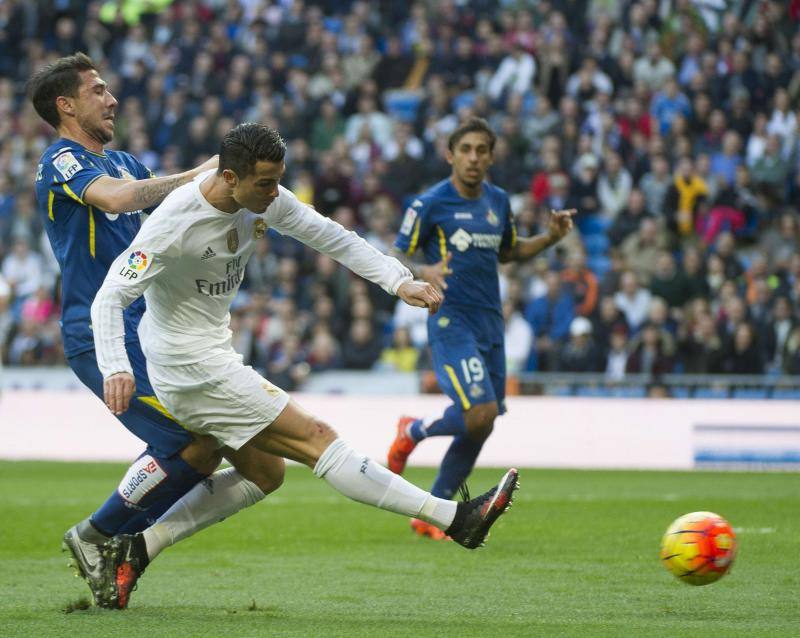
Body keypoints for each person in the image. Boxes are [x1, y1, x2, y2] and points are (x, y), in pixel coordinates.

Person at [90, 123, 519, 608]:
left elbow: (332, 237)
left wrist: (399, 282)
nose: (276, 194)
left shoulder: (263, 198)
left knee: (266, 475)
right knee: (316, 439)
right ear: (229, 177)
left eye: (279, 180)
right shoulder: (175, 222)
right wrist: (115, 367)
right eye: (266, 183)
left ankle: (135, 550)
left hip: (210, 354)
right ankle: (456, 518)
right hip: (188, 366)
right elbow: (110, 296)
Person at [28, 53, 283, 607]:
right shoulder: (62, 162)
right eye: (97, 90)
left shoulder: (123, 159)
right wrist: (202, 172)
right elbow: (120, 199)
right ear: (66, 105)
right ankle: (99, 536)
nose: (111, 98)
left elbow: (179, 216)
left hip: (152, 329)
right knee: (196, 440)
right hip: (98, 330)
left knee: (226, 453)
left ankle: (114, 541)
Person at [386, 117, 573, 539]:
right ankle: (413, 431)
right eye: (465, 149)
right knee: (480, 411)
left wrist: (550, 237)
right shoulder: (430, 203)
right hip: (451, 318)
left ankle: (429, 512)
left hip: (491, 321)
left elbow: (509, 251)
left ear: (491, 156)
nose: (473, 158)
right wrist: (422, 269)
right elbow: (393, 253)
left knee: (482, 422)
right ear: (450, 154)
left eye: (481, 150)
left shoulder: (499, 201)